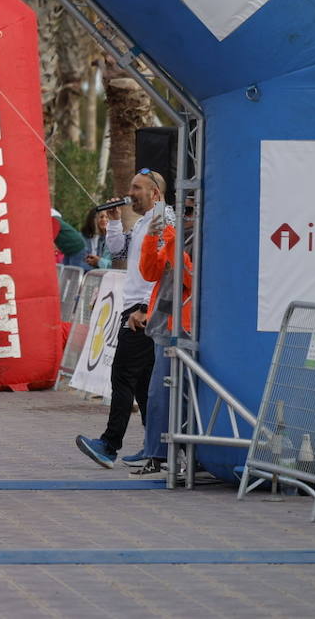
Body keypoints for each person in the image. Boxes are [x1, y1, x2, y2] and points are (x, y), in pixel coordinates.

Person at [76, 169, 166, 468]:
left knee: (123, 376)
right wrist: (114, 220)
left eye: (138, 188)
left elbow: (164, 269)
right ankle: (155, 445)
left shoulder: (164, 221)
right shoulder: (143, 222)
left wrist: (144, 307)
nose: (131, 193)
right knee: (142, 383)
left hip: (143, 311)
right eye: (131, 187)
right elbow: (119, 251)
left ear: (155, 193)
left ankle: (109, 444)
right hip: (136, 309)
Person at [127, 196, 195, 476]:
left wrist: (169, 238)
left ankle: (177, 454)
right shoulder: (177, 236)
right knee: (158, 393)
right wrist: (153, 239)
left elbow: (190, 276)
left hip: (188, 325)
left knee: (180, 395)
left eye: (190, 210)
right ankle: (156, 452)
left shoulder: (202, 239)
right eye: (183, 209)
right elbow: (150, 271)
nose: (185, 215)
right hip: (166, 325)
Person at [80, 206, 118, 271]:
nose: (104, 220)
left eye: (107, 217)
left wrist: (99, 262)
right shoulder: (82, 237)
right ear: (92, 219)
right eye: (101, 217)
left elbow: (116, 264)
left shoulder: (111, 238)